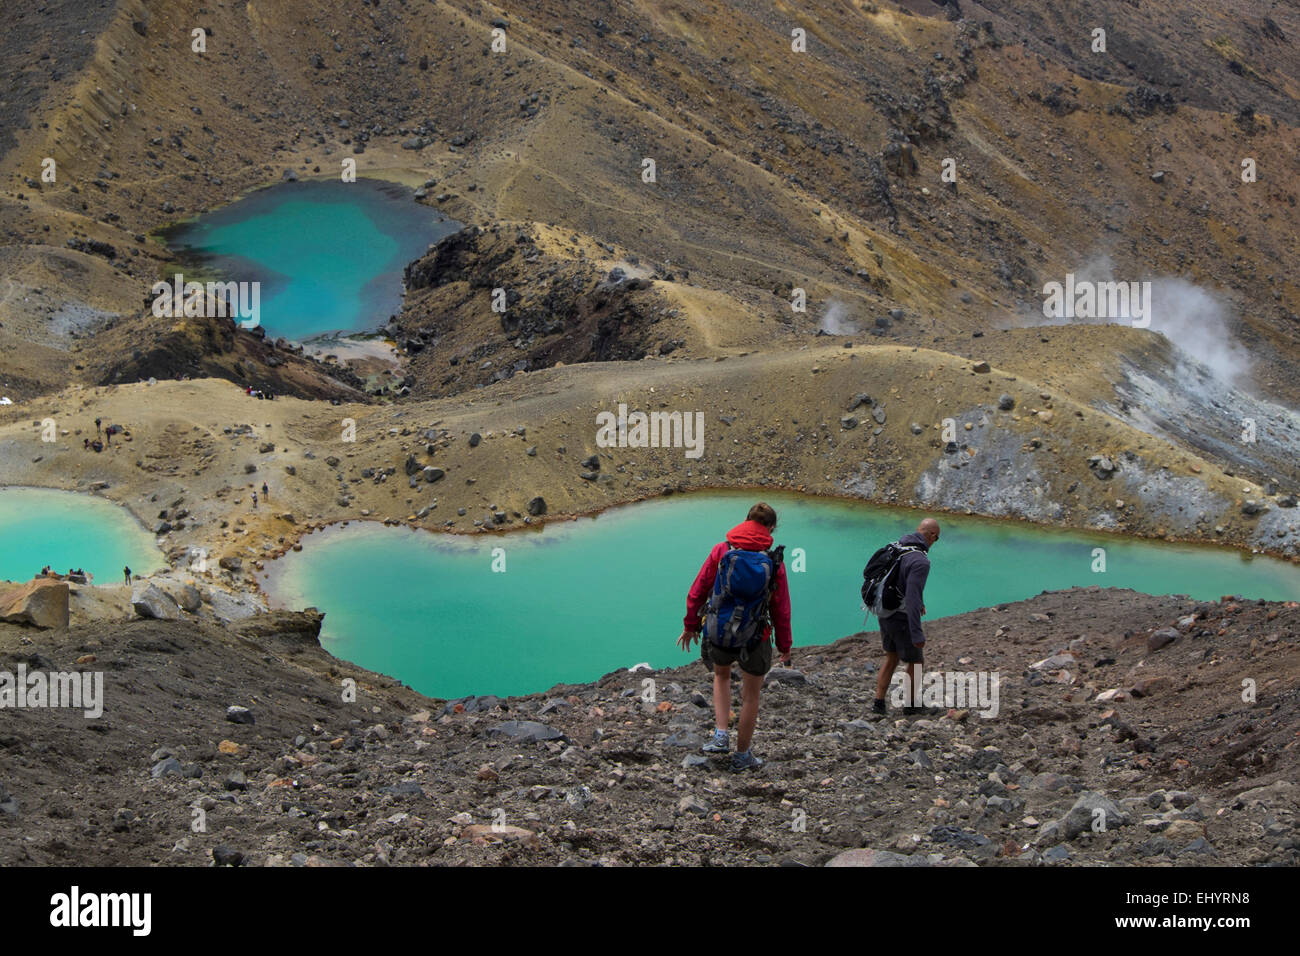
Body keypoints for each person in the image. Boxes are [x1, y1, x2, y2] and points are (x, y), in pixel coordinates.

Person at [678, 502, 792, 771]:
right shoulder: (773, 560)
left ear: (745, 520)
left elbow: (698, 590)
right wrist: (784, 645)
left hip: (719, 631)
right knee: (751, 696)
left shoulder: (722, 550)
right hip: (756, 636)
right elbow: (781, 608)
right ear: (771, 528)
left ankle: (720, 735)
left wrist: (690, 625)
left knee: (721, 675)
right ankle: (742, 756)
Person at [873, 518, 940, 716]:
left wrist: (919, 603)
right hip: (900, 616)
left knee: (891, 657)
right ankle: (911, 705)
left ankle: (878, 703)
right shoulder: (920, 561)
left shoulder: (899, 547)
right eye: (937, 538)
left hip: (884, 610)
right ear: (932, 536)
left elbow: (900, 584)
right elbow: (912, 599)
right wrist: (917, 634)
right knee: (916, 662)